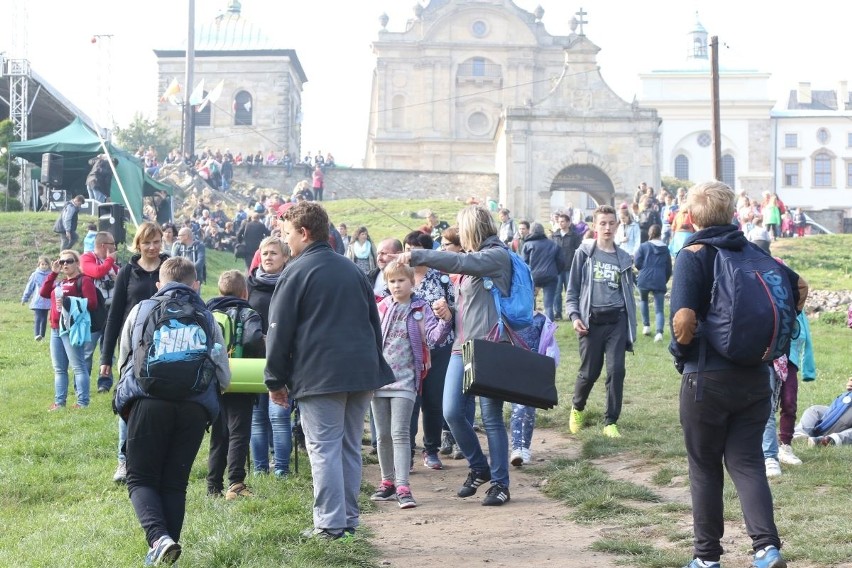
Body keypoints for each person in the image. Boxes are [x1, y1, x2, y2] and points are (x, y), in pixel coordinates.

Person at [669, 180, 806, 568]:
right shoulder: (756, 252)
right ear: (733, 213)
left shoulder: (693, 254)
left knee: (704, 467)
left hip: (705, 378)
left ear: (692, 217)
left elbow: (683, 318)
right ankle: (766, 548)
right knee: (747, 463)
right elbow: (799, 286)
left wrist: (682, 355)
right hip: (755, 375)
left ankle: (706, 558)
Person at [265, 201, 394, 539]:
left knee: (323, 449)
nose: (285, 241)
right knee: (349, 447)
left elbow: (278, 331)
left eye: (288, 234)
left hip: (321, 376)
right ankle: (348, 521)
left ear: (304, 233)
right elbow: (373, 323)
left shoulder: (295, 271)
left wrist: (274, 379)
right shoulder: (351, 268)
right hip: (361, 373)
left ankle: (330, 525)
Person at [394, 205, 516, 507]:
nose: (460, 234)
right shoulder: (477, 260)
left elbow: (459, 262)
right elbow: (473, 303)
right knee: (451, 411)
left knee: (491, 418)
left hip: (490, 347)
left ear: (474, 228)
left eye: (463, 229)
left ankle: (500, 484)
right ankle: (479, 467)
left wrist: (417, 255)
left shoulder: (495, 256)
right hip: (462, 346)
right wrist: (451, 313)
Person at [113, 256, 230, 566]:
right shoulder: (207, 316)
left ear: (158, 284)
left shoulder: (142, 310)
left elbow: (125, 360)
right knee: (175, 483)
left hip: (149, 402)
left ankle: (158, 538)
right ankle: (166, 552)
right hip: (194, 408)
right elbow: (223, 372)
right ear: (195, 285)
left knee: (140, 479)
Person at [370, 261, 452, 508]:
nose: (396, 285)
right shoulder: (380, 307)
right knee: (383, 436)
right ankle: (387, 483)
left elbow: (434, 337)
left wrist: (445, 319)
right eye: (392, 281)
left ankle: (403, 486)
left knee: (400, 433)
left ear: (412, 282)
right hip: (378, 381)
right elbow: (369, 336)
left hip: (406, 380)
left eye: (401, 280)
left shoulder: (420, 308)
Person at [99, 222, 167, 484]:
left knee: (161, 403)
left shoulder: (170, 266)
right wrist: (106, 357)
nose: (152, 247)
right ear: (138, 244)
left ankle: (155, 461)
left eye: (156, 241)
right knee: (128, 401)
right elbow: (114, 315)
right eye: (147, 242)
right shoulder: (128, 271)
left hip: (164, 344)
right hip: (131, 347)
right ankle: (124, 460)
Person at [566, 204, 637, 438]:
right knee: (589, 373)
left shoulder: (624, 258)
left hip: (616, 321)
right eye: (602, 223)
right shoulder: (584, 253)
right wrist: (575, 316)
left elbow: (628, 293)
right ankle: (577, 408)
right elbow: (572, 290)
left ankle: (610, 421)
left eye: (611, 223)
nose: (607, 227)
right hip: (591, 322)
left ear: (617, 225)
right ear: (595, 227)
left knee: (616, 371)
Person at [206, 270, 265, 499]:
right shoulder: (248, 313)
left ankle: (213, 486)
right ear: (245, 292)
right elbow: (252, 338)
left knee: (218, 433)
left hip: (214, 378)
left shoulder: (209, 311)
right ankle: (236, 483)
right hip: (241, 376)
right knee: (239, 431)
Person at [402, 231, 456, 471]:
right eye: (407, 248)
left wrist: (447, 312)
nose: (410, 254)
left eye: (415, 249)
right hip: (408, 351)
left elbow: (457, 308)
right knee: (410, 401)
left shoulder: (442, 279)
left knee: (434, 401)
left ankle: (431, 449)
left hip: (439, 348)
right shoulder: (399, 276)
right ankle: (406, 452)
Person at [247, 236, 294, 478]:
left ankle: (282, 470)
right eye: (265, 253)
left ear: (285, 257)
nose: (268, 257)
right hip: (255, 359)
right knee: (257, 418)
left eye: (274, 253)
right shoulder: (251, 283)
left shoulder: (291, 282)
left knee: (279, 415)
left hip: (284, 359)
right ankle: (259, 469)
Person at [39, 250, 100, 410]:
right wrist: (53, 273)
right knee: (59, 369)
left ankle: (82, 403)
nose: (65, 264)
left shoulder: (84, 280)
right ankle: (59, 403)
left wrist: (68, 301)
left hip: (71, 328)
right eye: (62, 261)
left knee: (78, 366)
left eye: (69, 261)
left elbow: (92, 303)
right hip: (55, 329)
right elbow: (44, 293)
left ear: (77, 263)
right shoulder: (59, 283)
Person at [510, 312, 559, 466]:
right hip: (515, 370)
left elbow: (548, 345)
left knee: (530, 411)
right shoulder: (509, 316)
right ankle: (516, 448)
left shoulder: (541, 320)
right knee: (518, 409)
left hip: (534, 371)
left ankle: (525, 447)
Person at [80, 231, 120, 392]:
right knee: (88, 350)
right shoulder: (86, 258)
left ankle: (104, 383)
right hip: (94, 311)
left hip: (111, 310)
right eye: (112, 244)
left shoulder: (111, 263)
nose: (115, 248)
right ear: (104, 245)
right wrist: (111, 260)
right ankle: (82, 382)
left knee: (107, 348)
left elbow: (120, 276)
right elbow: (96, 272)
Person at [633, 224, 672, 343]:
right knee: (659, 309)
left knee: (644, 301)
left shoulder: (643, 246)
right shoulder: (665, 249)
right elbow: (668, 268)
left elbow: (637, 262)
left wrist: (642, 270)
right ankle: (659, 333)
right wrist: (664, 279)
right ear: (660, 234)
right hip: (659, 278)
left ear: (649, 234)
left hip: (644, 277)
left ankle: (646, 326)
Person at [522, 222, 563, 322]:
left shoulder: (527, 244)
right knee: (548, 305)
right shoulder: (553, 244)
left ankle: (531, 324)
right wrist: (556, 272)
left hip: (534, 276)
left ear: (531, 231)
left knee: (531, 303)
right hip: (550, 276)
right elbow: (561, 262)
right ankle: (549, 329)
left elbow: (523, 263)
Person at [794, 377, 852, 446]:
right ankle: (800, 434)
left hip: (845, 426)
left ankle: (828, 440)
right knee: (814, 410)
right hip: (841, 411)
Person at [552, 213, 581, 321]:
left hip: (571, 268)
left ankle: (572, 312)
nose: (561, 223)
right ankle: (558, 313)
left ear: (568, 223)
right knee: (556, 291)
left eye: (563, 221)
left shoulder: (575, 236)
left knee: (571, 291)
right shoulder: (554, 236)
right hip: (557, 269)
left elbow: (579, 252)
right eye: (559, 222)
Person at [22, 256, 53, 341]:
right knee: (38, 318)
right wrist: (25, 298)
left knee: (44, 319)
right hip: (37, 301)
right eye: (42, 264)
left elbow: (54, 286)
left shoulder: (51, 275)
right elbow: (29, 287)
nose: (44, 266)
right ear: (39, 264)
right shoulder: (35, 275)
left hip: (47, 302)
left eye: (46, 264)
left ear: (48, 265)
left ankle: (42, 336)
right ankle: (36, 335)